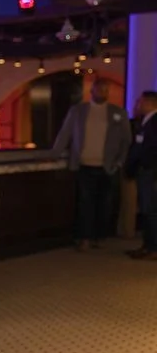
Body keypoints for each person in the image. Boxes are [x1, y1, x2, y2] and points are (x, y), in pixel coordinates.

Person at [52, 78, 132, 251]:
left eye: (106, 90)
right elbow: (65, 134)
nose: (102, 93)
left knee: (105, 204)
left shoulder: (118, 113)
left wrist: (119, 162)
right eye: (99, 89)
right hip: (84, 165)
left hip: (108, 167)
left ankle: (98, 236)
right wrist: (54, 154)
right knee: (85, 203)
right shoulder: (78, 111)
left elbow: (126, 140)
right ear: (92, 91)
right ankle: (85, 238)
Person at [126, 90, 157, 260]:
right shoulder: (145, 122)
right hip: (145, 171)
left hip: (150, 171)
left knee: (150, 210)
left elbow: (148, 149)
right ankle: (148, 245)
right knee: (146, 210)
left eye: (140, 102)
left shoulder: (154, 123)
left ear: (149, 103)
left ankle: (153, 247)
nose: (137, 105)